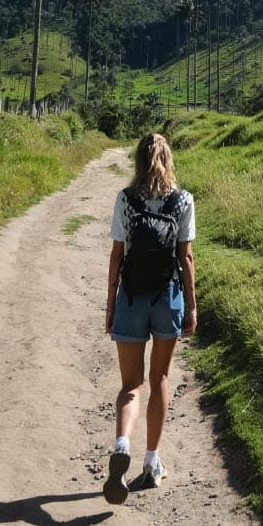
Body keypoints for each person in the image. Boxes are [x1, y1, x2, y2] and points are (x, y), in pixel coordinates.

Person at [102, 133, 197, 505]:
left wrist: (111, 305)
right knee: (159, 378)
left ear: (138, 162)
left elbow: (115, 256)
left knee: (130, 386)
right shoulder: (183, 200)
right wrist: (191, 305)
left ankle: (121, 443)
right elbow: (185, 258)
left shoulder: (125, 200)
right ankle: (152, 460)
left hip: (130, 298)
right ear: (169, 160)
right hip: (167, 296)